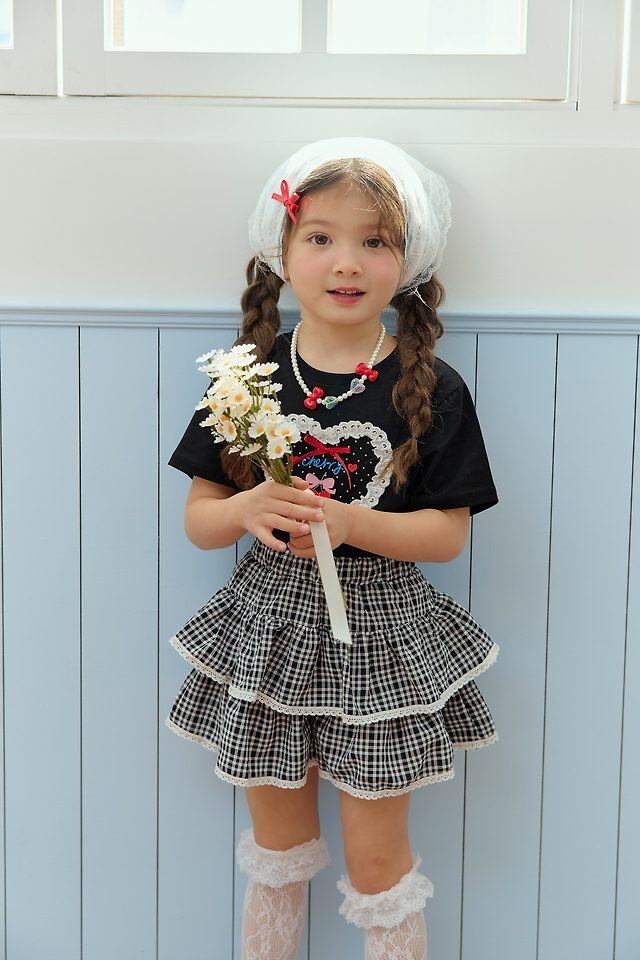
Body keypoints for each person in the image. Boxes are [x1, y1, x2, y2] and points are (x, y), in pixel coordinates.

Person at [165, 137, 500, 960]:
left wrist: (353, 525)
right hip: (269, 631)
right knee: (276, 852)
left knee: (378, 863)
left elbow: (447, 534)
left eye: (374, 241)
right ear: (281, 254)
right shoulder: (246, 381)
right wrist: (245, 506)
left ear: (406, 262)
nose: (346, 261)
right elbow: (200, 519)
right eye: (320, 237)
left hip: (380, 635)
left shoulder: (431, 387)